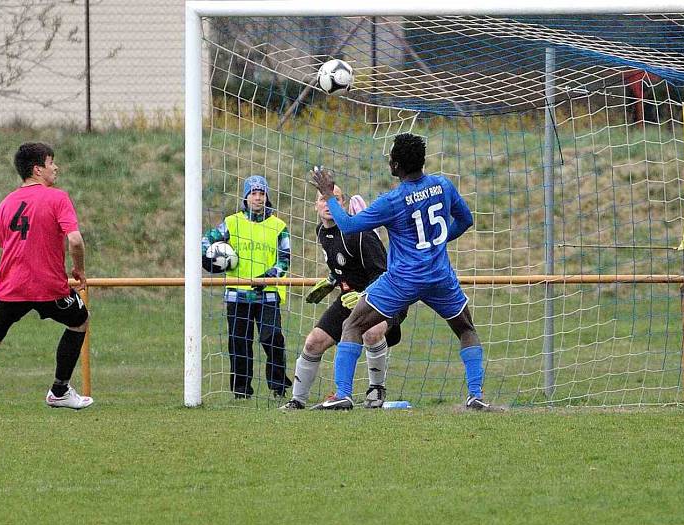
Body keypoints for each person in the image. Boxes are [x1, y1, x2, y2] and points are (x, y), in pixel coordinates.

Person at [309, 133, 491, 410]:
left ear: (397, 166)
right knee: (466, 329)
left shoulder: (393, 200)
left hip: (403, 280)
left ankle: (343, 394)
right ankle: (476, 395)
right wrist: (436, 242)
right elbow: (466, 220)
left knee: (352, 325)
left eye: (391, 158)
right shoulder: (442, 185)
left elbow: (346, 224)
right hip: (440, 277)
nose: (389, 161)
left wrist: (328, 194)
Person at [281, 185, 405, 410]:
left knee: (370, 332)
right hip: (349, 299)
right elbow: (342, 266)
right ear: (316, 205)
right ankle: (296, 402)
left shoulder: (359, 234)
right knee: (313, 342)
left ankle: (376, 390)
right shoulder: (322, 231)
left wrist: (364, 295)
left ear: (344, 204)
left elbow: (385, 274)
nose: (329, 204)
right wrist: (331, 281)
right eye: (324, 199)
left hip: (386, 297)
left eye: (335, 199)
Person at [0, 142, 92, 409]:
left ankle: (61, 392)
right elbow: (76, 240)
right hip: (49, 287)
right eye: (50, 163)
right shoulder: (57, 197)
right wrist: (79, 268)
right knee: (80, 319)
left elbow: (7, 245)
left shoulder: (5, 204)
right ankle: (59, 391)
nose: (55, 167)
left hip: (11, 287)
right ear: (37, 169)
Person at [202, 175, 292, 399]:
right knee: (239, 343)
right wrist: (208, 258)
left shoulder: (279, 226)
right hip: (237, 294)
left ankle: (278, 386)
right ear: (245, 197)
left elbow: (285, 259)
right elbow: (206, 240)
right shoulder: (232, 223)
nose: (258, 197)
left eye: (262, 193)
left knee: (272, 338)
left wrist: (269, 276)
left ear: (267, 197)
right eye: (253, 193)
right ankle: (241, 391)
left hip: (268, 294)